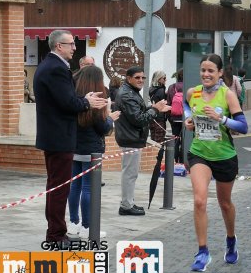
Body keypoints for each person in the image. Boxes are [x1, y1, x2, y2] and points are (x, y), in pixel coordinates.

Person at [34, 30, 107, 247]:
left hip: (54, 136)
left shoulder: (50, 66)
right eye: (71, 44)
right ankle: (56, 235)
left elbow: (64, 99)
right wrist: (86, 103)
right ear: (59, 46)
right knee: (59, 189)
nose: (75, 48)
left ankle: (56, 232)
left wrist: (82, 99)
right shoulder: (56, 68)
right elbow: (67, 103)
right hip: (59, 137)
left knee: (56, 187)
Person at [184, 53, 248, 272]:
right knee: (200, 201)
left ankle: (231, 239)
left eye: (211, 70)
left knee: (224, 203)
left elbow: (243, 126)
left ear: (220, 73)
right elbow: (186, 105)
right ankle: (203, 252)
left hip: (224, 155)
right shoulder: (194, 92)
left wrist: (221, 119)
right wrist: (188, 119)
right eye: (203, 70)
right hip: (199, 153)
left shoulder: (227, 95)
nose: (206, 74)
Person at [67, 66, 120, 239]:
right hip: (92, 151)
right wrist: (110, 118)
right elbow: (102, 128)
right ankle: (87, 227)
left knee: (75, 186)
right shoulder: (96, 100)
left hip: (74, 147)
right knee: (88, 188)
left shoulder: (75, 97)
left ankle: (73, 223)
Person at [115, 66, 170, 216]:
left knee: (131, 173)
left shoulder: (130, 92)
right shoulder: (127, 94)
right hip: (130, 138)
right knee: (130, 173)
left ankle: (128, 202)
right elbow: (138, 119)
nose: (141, 80)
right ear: (129, 78)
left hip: (132, 137)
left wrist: (152, 107)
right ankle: (126, 205)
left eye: (143, 77)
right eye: (137, 77)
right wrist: (155, 109)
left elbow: (137, 111)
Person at [166, 69, 184, 163]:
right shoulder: (190, 87)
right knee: (185, 140)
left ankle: (175, 161)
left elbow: (168, 103)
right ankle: (183, 161)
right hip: (186, 119)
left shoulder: (171, 87)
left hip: (174, 118)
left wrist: (170, 118)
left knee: (175, 141)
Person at [149, 70, 167, 143]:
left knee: (153, 140)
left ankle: (154, 154)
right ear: (159, 79)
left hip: (151, 117)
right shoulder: (161, 90)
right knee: (160, 142)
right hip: (160, 119)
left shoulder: (150, 89)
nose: (166, 80)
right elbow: (163, 105)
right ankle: (159, 155)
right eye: (164, 78)